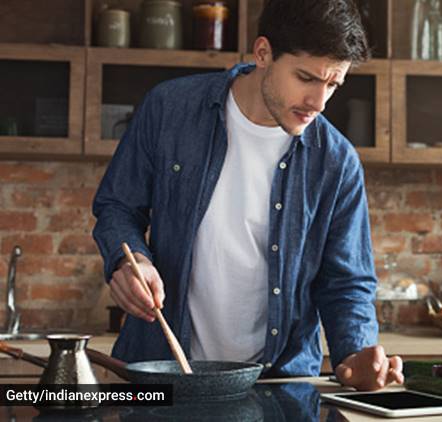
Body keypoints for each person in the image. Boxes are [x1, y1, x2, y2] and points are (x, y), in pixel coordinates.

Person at [92, 0, 402, 391]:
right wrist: (129, 260)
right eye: (306, 77)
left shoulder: (337, 162)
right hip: (160, 371)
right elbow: (118, 206)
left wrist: (357, 352)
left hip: (277, 385)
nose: (319, 103)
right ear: (263, 53)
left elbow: (346, 281)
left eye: (333, 84)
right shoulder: (170, 109)